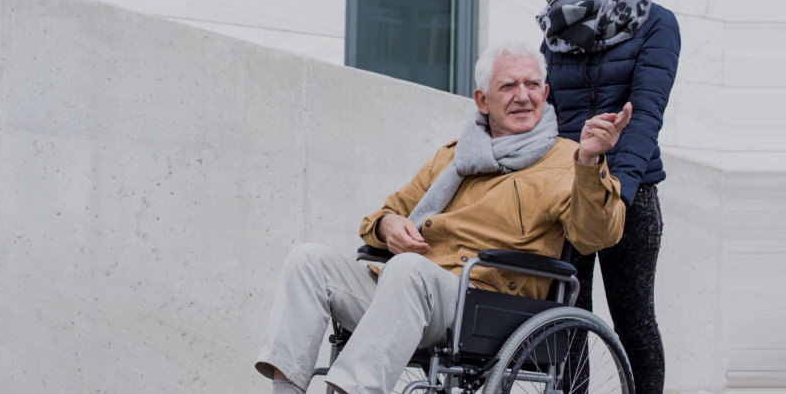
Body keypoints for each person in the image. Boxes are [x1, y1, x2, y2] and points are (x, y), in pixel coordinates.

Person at [252, 44, 632, 394]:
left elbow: (596, 236)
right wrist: (388, 227)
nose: (523, 96)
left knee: (408, 271)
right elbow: (388, 211)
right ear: (482, 100)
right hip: (411, 290)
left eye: (532, 85)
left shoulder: (567, 160)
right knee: (308, 260)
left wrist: (590, 162)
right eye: (509, 86)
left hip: (487, 300)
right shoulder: (453, 156)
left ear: (545, 94)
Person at [536, 0, 679, 394]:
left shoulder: (658, 23)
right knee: (568, 318)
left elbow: (646, 112)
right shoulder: (557, 28)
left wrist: (621, 192)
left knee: (633, 319)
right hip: (570, 187)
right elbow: (547, 112)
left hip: (628, 193)